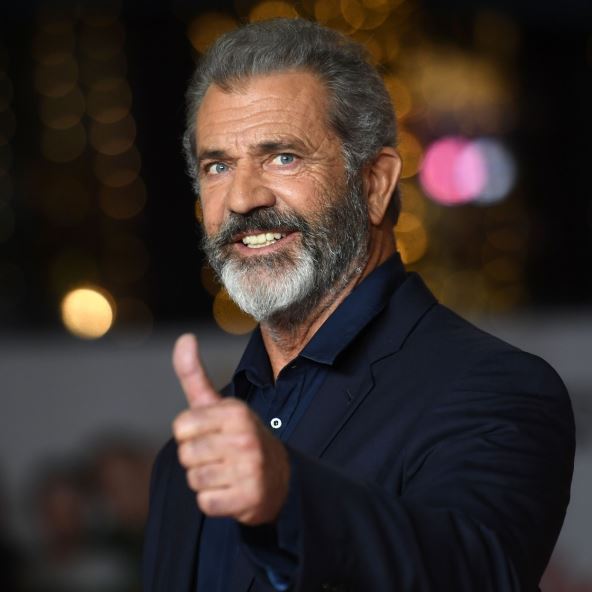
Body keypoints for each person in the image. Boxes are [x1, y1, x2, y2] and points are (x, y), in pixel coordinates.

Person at [142, 18, 575, 592]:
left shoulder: (497, 388)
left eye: (283, 157)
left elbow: (474, 572)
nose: (242, 198)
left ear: (374, 184)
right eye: (217, 166)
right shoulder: (184, 463)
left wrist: (289, 497)